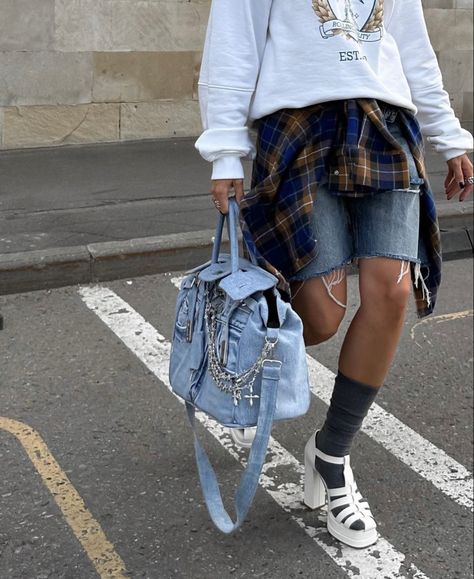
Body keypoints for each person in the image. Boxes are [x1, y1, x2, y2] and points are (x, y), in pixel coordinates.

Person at [194, 0, 473, 549]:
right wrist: (226, 151)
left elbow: (414, 49)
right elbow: (233, 45)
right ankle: (240, 361)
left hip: (385, 124)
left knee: (391, 289)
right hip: (299, 126)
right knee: (319, 316)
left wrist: (451, 136)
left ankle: (331, 456)